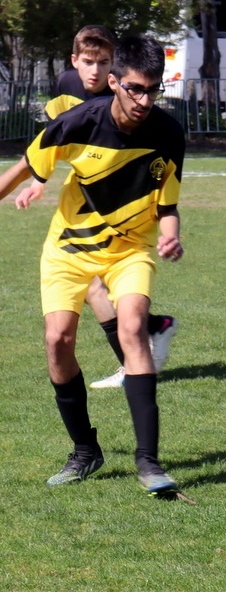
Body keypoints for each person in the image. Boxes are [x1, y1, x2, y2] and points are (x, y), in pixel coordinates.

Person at [0, 35, 185, 494]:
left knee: (132, 329)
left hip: (129, 250)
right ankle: (85, 451)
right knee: (57, 339)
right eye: (135, 89)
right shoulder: (79, 121)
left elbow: (168, 203)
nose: (144, 100)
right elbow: (24, 167)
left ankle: (149, 463)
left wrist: (170, 234)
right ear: (115, 82)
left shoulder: (167, 133)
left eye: (153, 90)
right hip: (68, 248)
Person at [14, 25, 178, 386]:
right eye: (89, 62)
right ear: (74, 62)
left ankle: (139, 349)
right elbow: (56, 141)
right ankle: (144, 341)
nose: (96, 71)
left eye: (104, 62)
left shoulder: (124, 94)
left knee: (97, 283)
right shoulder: (66, 87)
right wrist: (39, 180)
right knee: (89, 285)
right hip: (84, 198)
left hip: (121, 204)